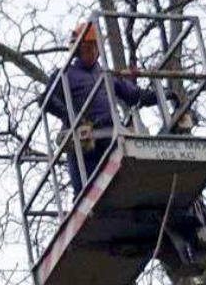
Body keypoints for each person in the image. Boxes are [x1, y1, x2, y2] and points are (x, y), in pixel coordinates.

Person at [44, 23, 164, 195]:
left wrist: (161, 95)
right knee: (87, 191)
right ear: (77, 50)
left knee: (124, 183)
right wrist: (72, 118)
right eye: (87, 47)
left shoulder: (106, 75)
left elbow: (133, 95)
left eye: (95, 47)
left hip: (110, 135)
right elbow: (47, 100)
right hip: (85, 143)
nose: (92, 52)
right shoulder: (65, 75)